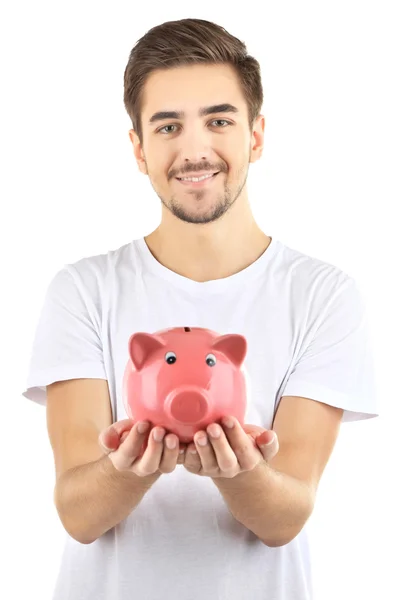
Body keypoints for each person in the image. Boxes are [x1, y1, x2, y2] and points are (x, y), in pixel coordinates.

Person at [22, 17, 379, 600]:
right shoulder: (83, 290)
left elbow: (286, 516)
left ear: (256, 136)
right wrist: (127, 469)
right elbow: (78, 514)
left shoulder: (322, 295)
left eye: (219, 120)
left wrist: (242, 474)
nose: (194, 151)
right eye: (167, 126)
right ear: (138, 148)